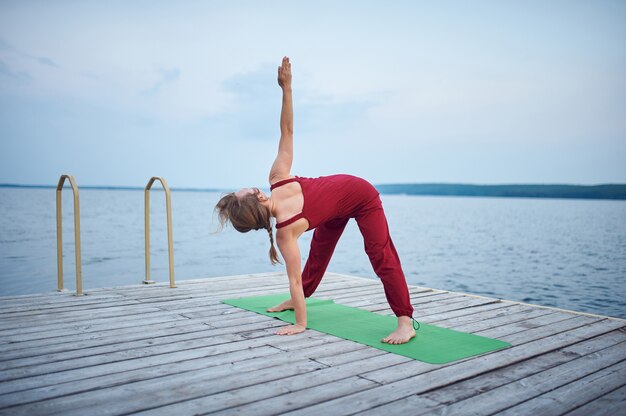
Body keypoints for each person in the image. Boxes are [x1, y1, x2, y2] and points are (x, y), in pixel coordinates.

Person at [215, 56, 416, 344]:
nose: (243, 187)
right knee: (319, 253)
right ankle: (299, 302)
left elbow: (286, 130)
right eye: (242, 191)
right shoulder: (277, 183)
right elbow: (288, 131)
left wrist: (287, 88)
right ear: (258, 197)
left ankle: (405, 321)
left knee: (378, 253)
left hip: (361, 195)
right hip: (336, 207)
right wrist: (300, 323)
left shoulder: (282, 211)